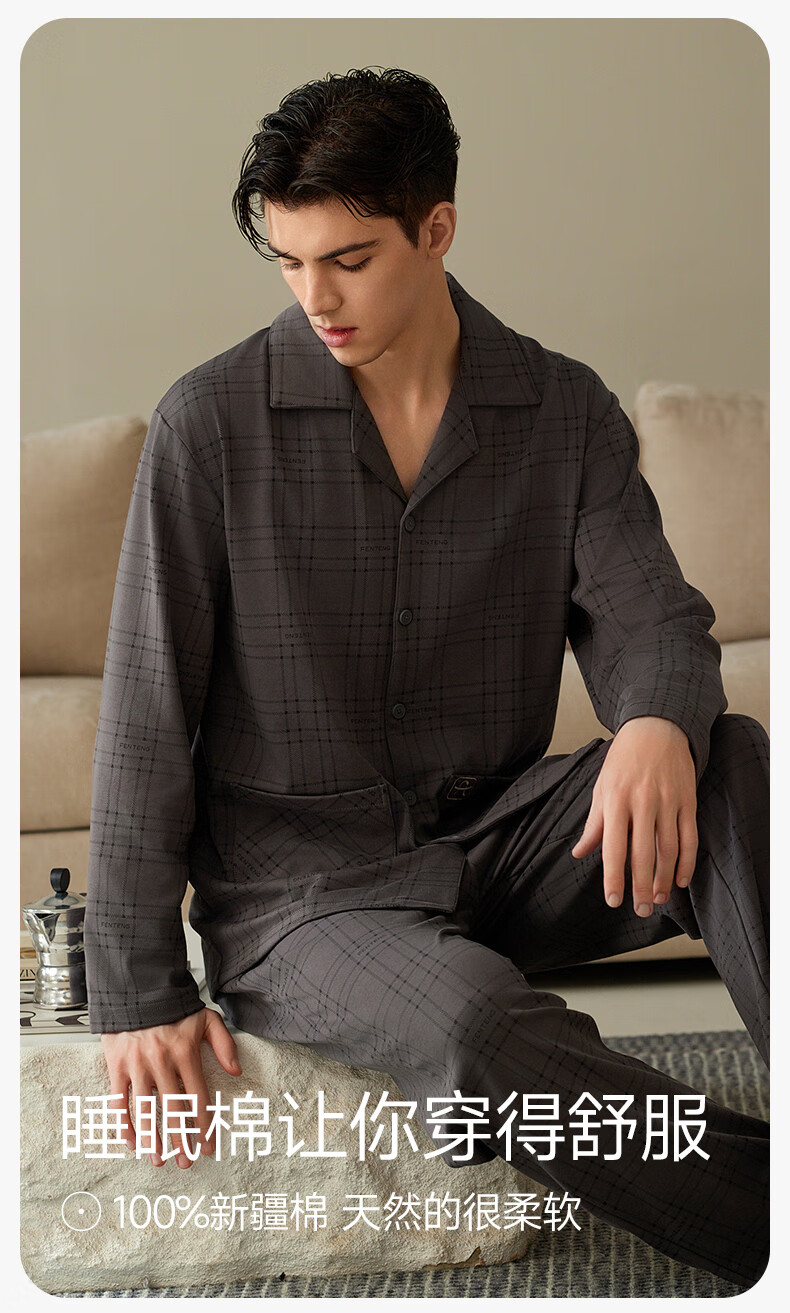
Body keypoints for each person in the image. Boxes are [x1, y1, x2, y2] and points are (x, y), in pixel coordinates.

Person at [84, 67, 769, 1288]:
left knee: (732, 762)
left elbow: (652, 617)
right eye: (290, 263)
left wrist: (658, 719)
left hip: (496, 841)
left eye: (348, 260)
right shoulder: (210, 425)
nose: (316, 297)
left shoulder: (560, 410)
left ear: (436, 227)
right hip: (303, 899)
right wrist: (137, 990)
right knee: (473, 1023)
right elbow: (146, 711)